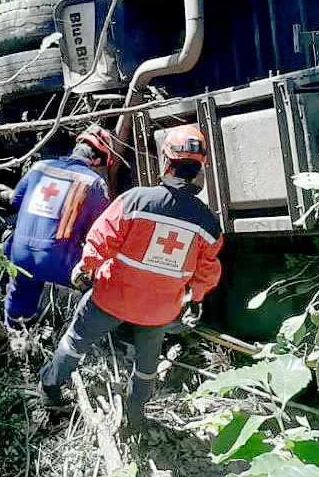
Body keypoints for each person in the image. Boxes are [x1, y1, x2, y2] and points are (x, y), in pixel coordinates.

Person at [39, 125, 224, 432]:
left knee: (75, 341)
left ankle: (50, 390)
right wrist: (196, 298)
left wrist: (86, 268)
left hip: (112, 298)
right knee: (146, 367)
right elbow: (207, 274)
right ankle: (135, 418)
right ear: (199, 170)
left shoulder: (136, 200)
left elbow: (101, 238)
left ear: (166, 163)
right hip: (159, 311)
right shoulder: (209, 224)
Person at [1, 124, 115, 326]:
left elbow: (16, 201)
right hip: (58, 263)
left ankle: (15, 332)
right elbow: (97, 233)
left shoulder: (39, 167)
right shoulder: (95, 183)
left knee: (22, 288)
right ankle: (87, 332)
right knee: (103, 278)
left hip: (18, 255)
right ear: (97, 160)